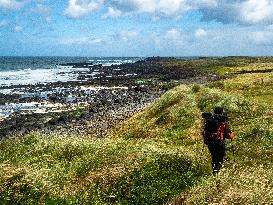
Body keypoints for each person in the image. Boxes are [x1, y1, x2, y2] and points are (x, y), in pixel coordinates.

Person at [202, 106, 234, 174]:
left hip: (210, 143)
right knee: (220, 159)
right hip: (219, 143)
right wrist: (232, 134)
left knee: (214, 157)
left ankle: (214, 170)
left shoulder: (209, 121)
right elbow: (229, 136)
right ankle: (216, 172)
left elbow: (205, 131)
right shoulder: (223, 122)